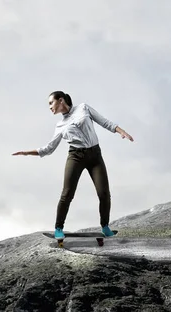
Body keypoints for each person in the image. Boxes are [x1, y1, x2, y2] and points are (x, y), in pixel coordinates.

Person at [12, 91, 134, 239]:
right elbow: (48, 149)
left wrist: (122, 132)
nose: (50, 107)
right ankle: (58, 228)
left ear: (61, 100)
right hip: (76, 157)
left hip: (95, 156)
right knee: (67, 193)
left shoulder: (83, 108)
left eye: (51, 103)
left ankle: (105, 227)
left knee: (104, 193)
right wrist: (26, 153)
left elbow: (105, 122)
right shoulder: (60, 125)